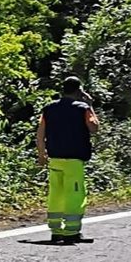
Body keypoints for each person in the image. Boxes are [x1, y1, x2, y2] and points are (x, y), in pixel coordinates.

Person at [36, 76, 99, 244]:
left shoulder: (49, 109)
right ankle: (71, 231)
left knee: (56, 193)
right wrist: (90, 106)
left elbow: (40, 133)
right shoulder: (82, 108)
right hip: (74, 160)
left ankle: (56, 230)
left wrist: (42, 155)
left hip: (55, 159)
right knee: (74, 194)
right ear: (79, 91)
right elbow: (94, 128)